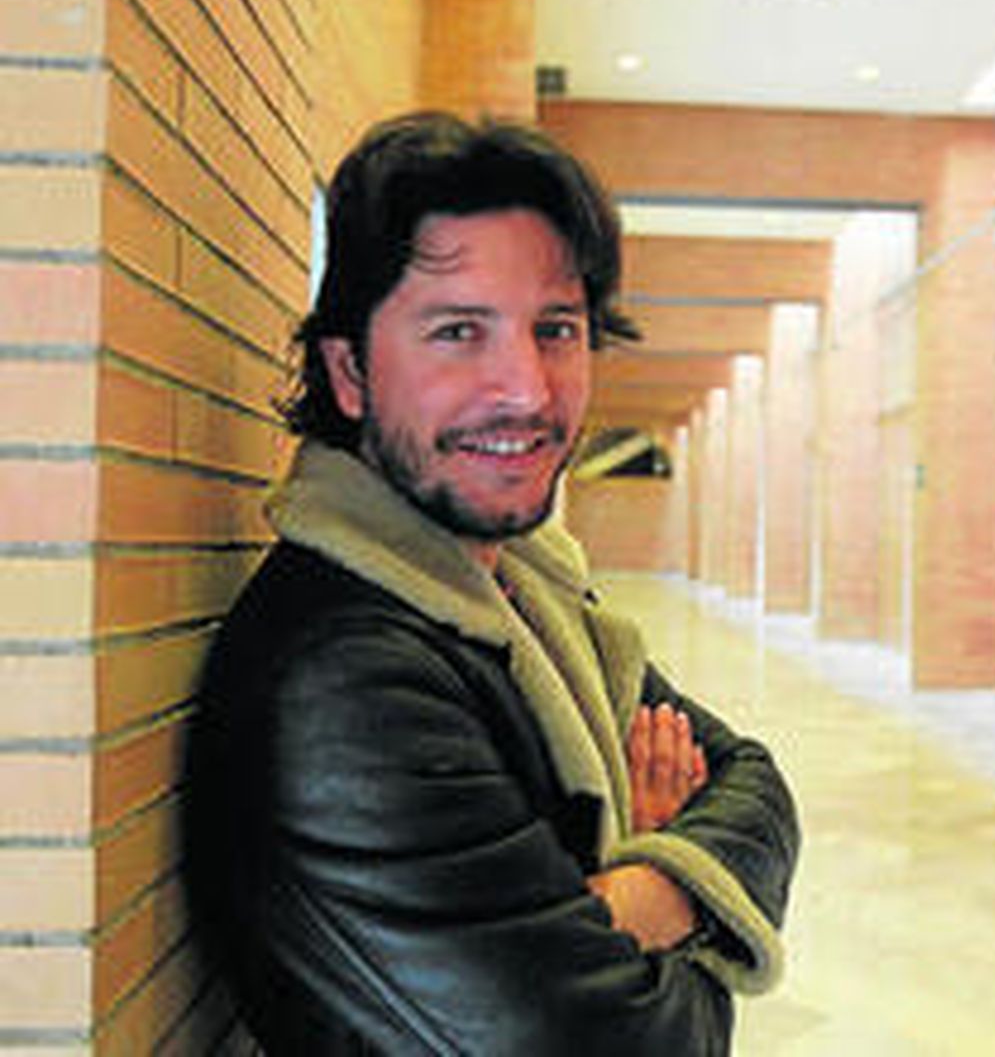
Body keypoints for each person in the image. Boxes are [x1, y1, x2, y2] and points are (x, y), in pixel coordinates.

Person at [182, 112, 800, 1054]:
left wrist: (623, 899)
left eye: (556, 328)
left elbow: (756, 784)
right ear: (348, 371)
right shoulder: (347, 681)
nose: (525, 389)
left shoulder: (531, 597)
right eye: (458, 331)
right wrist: (667, 868)